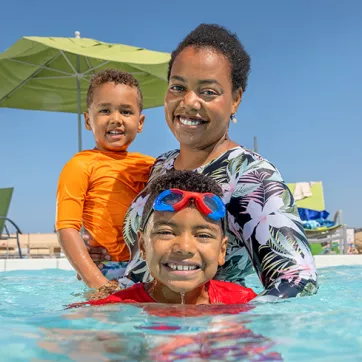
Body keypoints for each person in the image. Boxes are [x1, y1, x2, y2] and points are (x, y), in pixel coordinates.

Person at [115, 24, 318, 299]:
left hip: (201, 335)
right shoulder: (162, 166)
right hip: (141, 323)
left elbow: (298, 280)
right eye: (178, 87)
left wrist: (225, 325)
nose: (189, 101)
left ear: (235, 99)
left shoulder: (250, 177)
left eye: (208, 92)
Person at [69, 171, 257, 307]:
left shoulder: (243, 302)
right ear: (142, 244)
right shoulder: (113, 308)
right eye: (167, 232)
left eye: (203, 235)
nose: (184, 247)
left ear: (222, 251)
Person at [56, 69, 155, 292]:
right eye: (105, 110)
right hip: (104, 269)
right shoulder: (80, 165)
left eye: (126, 111)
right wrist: (95, 281)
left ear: (140, 122)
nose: (116, 119)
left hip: (149, 268)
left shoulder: (151, 166)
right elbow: (66, 228)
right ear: (88, 120)